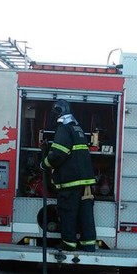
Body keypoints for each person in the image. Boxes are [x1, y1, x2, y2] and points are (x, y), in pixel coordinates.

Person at [40, 100, 97, 252]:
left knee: (68, 213)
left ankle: (69, 243)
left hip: (71, 183)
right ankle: (89, 244)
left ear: (58, 113)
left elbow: (58, 154)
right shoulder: (77, 129)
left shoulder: (64, 129)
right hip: (86, 183)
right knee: (86, 214)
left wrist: (44, 164)